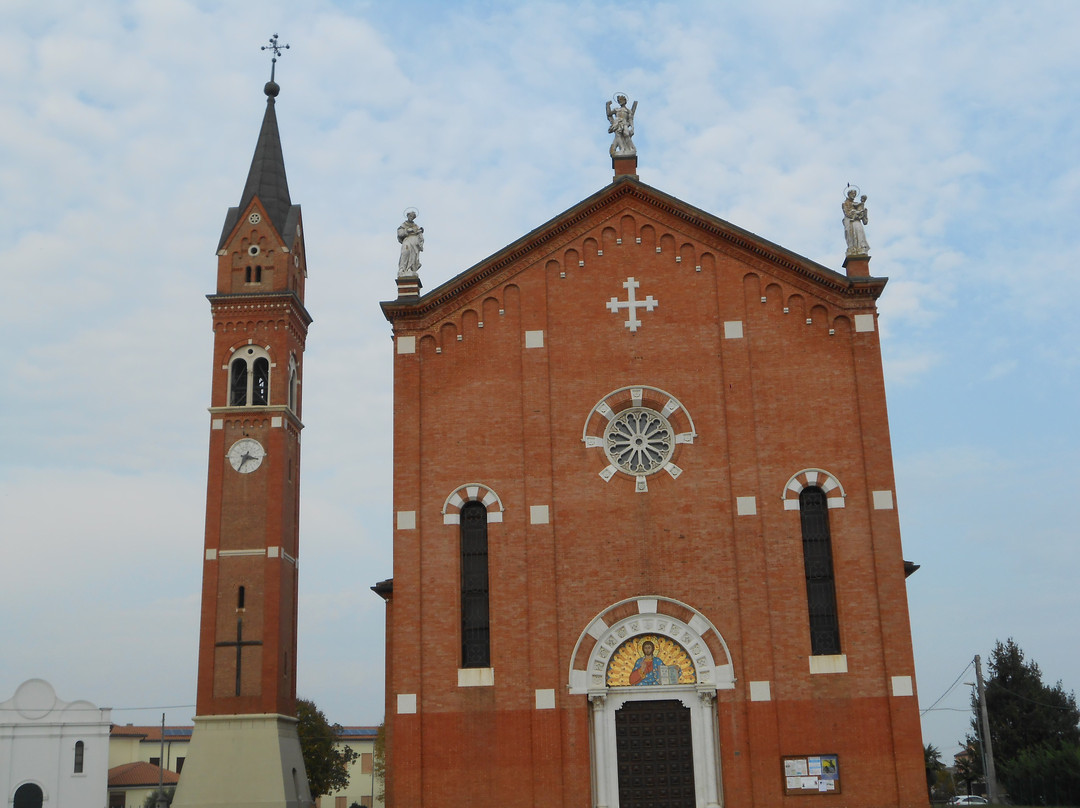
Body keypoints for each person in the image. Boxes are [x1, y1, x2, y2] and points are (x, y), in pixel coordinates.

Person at [842, 188, 870, 256]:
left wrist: (862, 212)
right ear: (848, 194)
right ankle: (853, 248)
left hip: (857, 221)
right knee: (851, 234)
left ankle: (861, 248)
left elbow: (865, 221)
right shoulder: (845, 204)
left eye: (855, 194)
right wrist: (856, 213)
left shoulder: (858, 204)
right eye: (852, 194)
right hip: (850, 222)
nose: (853, 195)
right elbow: (847, 213)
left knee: (860, 233)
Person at [397, 210, 424, 276]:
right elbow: (400, 233)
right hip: (407, 240)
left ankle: (410, 268)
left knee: (413, 255)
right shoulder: (404, 225)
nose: (411, 217)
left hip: (414, 242)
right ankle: (402, 269)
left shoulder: (416, 226)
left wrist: (420, 232)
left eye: (413, 217)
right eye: (410, 216)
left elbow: (420, 236)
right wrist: (407, 231)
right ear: (408, 216)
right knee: (405, 252)